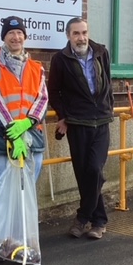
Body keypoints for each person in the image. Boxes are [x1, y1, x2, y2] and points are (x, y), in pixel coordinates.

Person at [0, 15, 48, 261]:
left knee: (24, 193)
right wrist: (12, 133)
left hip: (32, 141)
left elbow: (42, 99)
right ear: (4, 37)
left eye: (20, 34)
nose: (16, 38)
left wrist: (29, 122)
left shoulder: (37, 68)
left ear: (25, 37)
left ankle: (18, 240)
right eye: (11, 33)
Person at [47, 17, 114, 239]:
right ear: (68, 36)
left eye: (84, 32)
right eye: (76, 33)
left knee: (95, 170)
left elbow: (108, 83)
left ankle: (82, 217)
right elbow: (54, 91)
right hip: (77, 123)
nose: (81, 37)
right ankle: (99, 221)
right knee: (83, 174)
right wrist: (63, 116)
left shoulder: (101, 52)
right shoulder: (60, 59)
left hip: (101, 121)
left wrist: (109, 108)